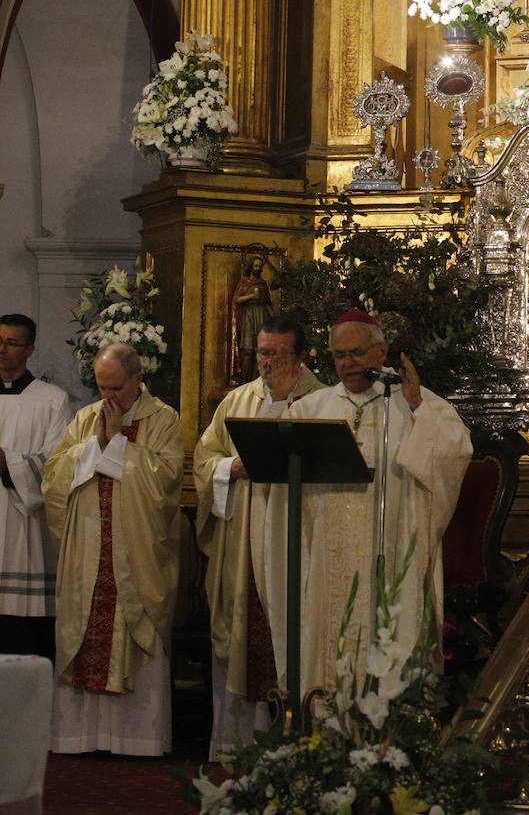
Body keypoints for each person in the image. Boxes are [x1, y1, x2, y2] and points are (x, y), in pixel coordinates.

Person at [263, 309, 472, 706]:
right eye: (339, 355)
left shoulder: (413, 400)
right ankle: (322, 727)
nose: (348, 363)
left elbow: (455, 451)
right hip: (327, 558)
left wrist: (416, 412)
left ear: (382, 351)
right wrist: (278, 403)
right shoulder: (314, 409)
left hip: (392, 554)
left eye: (357, 353)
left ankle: (389, 731)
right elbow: (276, 466)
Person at [42, 342, 183, 755]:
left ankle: (136, 740)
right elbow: (54, 478)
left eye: (116, 388)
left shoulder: (164, 419)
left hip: (137, 555)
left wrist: (118, 443)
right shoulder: (85, 418)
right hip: (89, 549)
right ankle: (78, 738)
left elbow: (168, 482)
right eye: (101, 388)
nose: (107, 399)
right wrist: (93, 447)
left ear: (138, 379)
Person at [194, 316, 323, 758]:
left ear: (302, 356)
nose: (266, 363)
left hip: (297, 540)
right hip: (243, 539)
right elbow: (204, 457)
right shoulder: (238, 399)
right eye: (262, 353)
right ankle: (238, 743)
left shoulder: (321, 402)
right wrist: (231, 468)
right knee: (242, 630)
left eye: (277, 354)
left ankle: (296, 740)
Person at [0, 313, 70, 659]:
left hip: (25, 531)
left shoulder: (53, 400)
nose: (2, 349)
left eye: (11, 343)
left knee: (24, 646)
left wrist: (9, 463)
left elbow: (58, 465)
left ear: (29, 349)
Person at [230, 252, 274, 385]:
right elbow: (237, 300)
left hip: (261, 315)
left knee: (261, 349)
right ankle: (245, 381)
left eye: (260, 266)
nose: (258, 268)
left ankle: (259, 380)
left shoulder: (262, 283)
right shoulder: (244, 282)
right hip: (248, 315)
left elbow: (268, 302)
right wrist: (251, 297)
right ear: (251, 266)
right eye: (255, 266)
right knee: (248, 349)